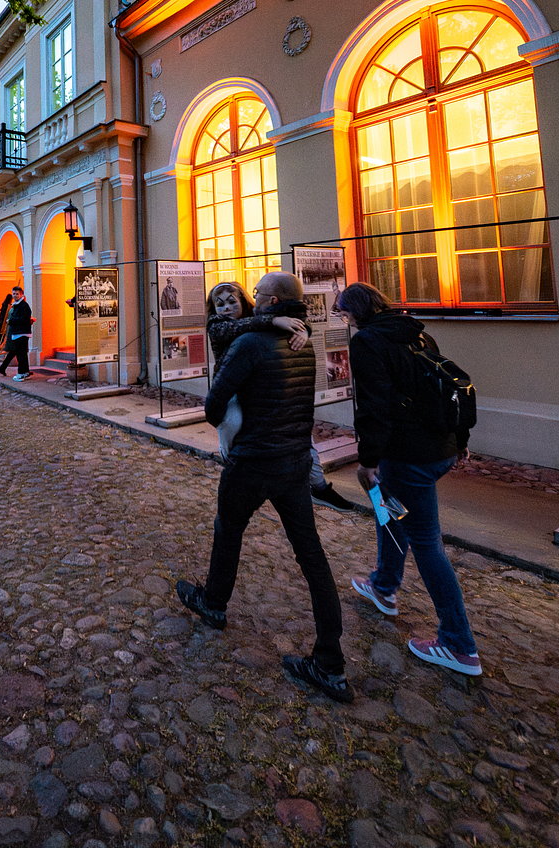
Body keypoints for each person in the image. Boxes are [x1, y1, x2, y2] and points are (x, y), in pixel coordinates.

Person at [177, 271, 352, 704]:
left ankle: (213, 602)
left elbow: (214, 404)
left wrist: (231, 428)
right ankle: (330, 663)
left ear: (272, 301)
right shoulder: (302, 338)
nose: (252, 297)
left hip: (254, 460)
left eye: (257, 293)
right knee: (311, 555)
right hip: (292, 461)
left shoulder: (250, 343)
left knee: (228, 530)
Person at [339, 281, 482, 678]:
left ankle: (459, 643)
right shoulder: (418, 333)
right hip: (438, 449)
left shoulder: (368, 341)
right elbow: (445, 390)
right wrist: (460, 441)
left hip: (408, 456)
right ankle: (383, 585)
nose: (343, 320)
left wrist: (367, 461)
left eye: (343, 313)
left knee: (426, 541)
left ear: (356, 311)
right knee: (390, 512)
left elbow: (374, 406)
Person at [205, 282, 366, 515]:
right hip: (233, 390)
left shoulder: (257, 318)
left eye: (232, 302)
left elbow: (294, 321)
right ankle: (228, 456)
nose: (226, 308)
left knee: (302, 438)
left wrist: (303, 330)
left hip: (263, 390)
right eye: (220, 304)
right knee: (231, 422)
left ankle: (319, 486)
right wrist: (274, 321)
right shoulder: (218, 324)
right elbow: (237, 328)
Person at [0, 285, 32, 380]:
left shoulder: (23, 305)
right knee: (22, 354)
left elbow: (24, 319)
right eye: (14, 293)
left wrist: (11, 321)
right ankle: (25, 372)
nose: (15, 295)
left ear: (21, 295)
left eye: (17, 294)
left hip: (21, 333)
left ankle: (21, 373)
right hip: (17, 333)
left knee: (20, 355)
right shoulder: (16, 305)